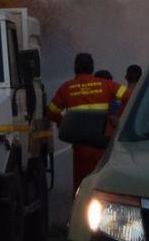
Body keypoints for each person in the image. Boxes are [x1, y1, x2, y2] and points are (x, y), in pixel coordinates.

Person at [46, 53, 118, 191]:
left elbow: (51, 112)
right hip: (103, 145)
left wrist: (64, 123)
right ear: (92, 67)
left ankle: (80, 209)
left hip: (81, 148)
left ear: (75, 67)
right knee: (103, 183)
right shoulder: (107, 85)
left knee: (81, 185)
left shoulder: (66, 88)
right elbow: (130, 97)